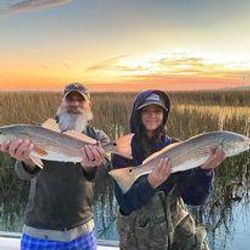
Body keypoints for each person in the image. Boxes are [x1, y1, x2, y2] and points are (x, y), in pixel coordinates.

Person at [111, 89, 226, 250]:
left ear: (164, 115)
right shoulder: (122, 152)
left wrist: (205, 171)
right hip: (139, 239)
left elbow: (194, 199)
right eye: (146, 111)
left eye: (158, 111)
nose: (152, 116)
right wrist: (150, 183)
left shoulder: (178, 147)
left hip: (178, 233)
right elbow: (126, 204)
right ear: (137, 114)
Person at [0, 83, 109, 250]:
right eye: (69, 99)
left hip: (82, 231)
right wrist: (27, 159)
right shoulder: (37, 130)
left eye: (80, 100)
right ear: (61, 103)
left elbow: (104, 173)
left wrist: (90, 167)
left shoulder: (97, 138)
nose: (74, 104)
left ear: (89, 105)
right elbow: (23, 174)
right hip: (39, 230)